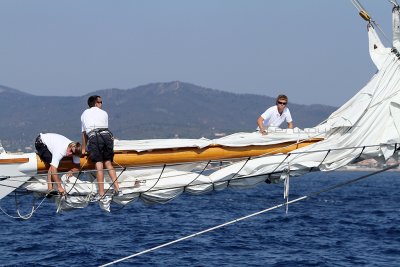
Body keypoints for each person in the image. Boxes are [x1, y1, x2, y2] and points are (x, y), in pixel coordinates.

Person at [81, 95, 121, 199]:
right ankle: (117, 188)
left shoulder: (84, 113)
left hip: (95, 137)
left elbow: (84, 134)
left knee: (99, 165)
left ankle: (101, 193)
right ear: (95, 103)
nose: (102, 104)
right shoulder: (104, 113)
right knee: (108, 163)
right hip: (107, 137)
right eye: (100, 102)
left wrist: (84, 149)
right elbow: (105, 128)